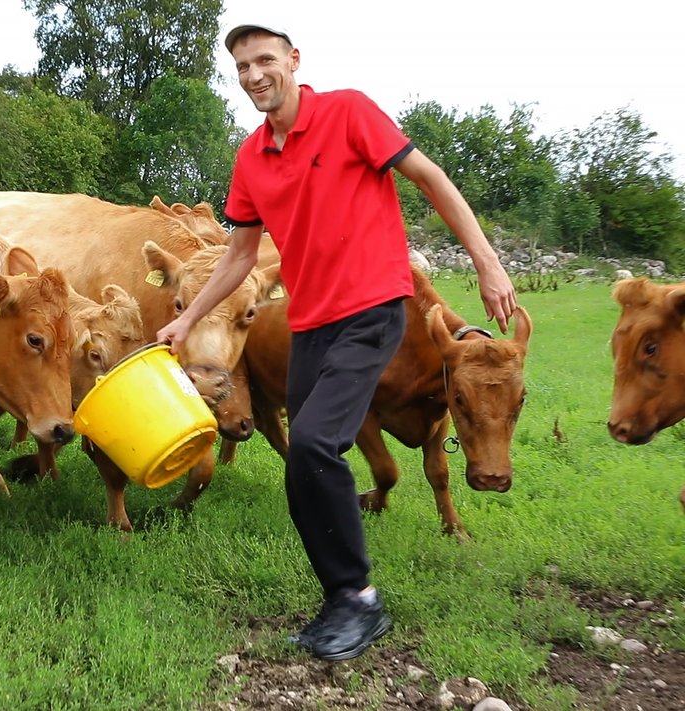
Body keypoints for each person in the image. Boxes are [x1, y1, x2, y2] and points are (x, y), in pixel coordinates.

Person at [156, 23, 517, 661]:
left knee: (317, 445)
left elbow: (430, 179)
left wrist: (487, 262)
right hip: (309, 324)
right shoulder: (250, 157)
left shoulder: (348, 112)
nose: (253, 75)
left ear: (293, 60)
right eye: (241, 66)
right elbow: (238, 257)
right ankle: (340, 597)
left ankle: (358, 599)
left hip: (373, 310)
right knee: (302, 459)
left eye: (264, 60)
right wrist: (189, 318)